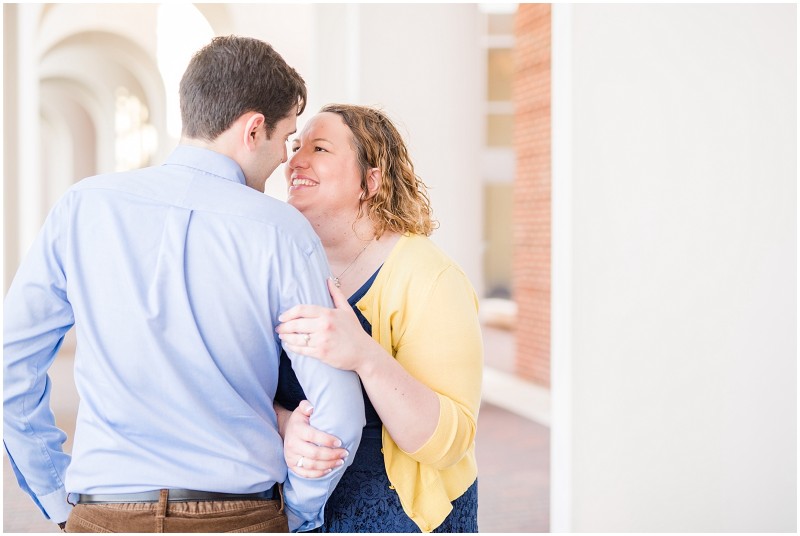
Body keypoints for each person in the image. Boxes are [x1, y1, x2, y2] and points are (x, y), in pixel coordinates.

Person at [3, 36, 364, 533]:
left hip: (102, 512)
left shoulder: (83, 206)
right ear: (254, 128)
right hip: (242, 516)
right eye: (286, 137)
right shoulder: (280, 230)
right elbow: (340, 414)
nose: (285, 157)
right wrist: (298, 514)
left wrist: (56, 499)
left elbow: (11, 367)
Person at [273, 104, 483, 533]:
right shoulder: (285, 265)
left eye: (320, 148)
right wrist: (284, 425)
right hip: (304, 512)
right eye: (295, 146)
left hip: (400, 518)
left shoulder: (430, 276)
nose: (295, 159)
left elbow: (450, 442)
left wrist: (365, 356)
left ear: (371, 180)